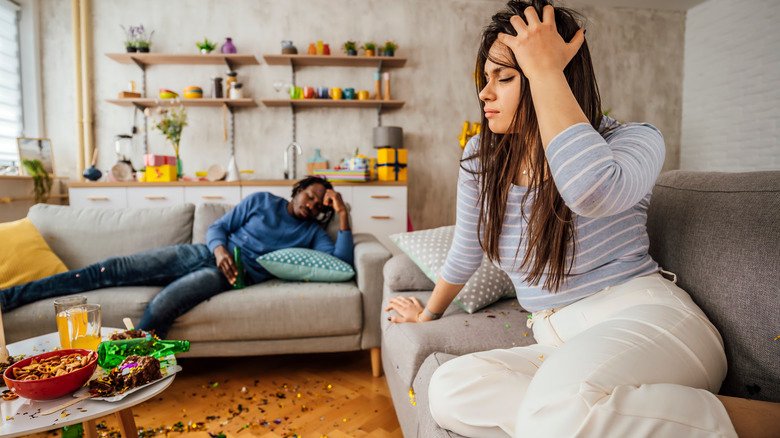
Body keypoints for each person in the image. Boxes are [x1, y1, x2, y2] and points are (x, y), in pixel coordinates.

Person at [385, 1, 737, 436]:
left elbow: (593, 191)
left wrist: (545, 71)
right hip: (557, 342)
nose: (484, 93)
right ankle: (599, 418)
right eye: (486, 78)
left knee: (555, 408)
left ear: (552, 74)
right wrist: (427, 314)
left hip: (648, 320)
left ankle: (754, 421)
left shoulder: (633, 141)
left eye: (506, 77)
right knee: (450, 388)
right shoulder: (481, 157)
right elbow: (466, 248)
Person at [0, 176, 353, 337]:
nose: (311, 204)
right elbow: (218, 228)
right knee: (110, 269)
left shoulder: (312, 234)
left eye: (319, 202)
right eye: (310, 194)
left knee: (165, 303)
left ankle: (134, 367)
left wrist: (342, 213)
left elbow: (342, 265)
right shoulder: (261, 201)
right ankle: (11, 297)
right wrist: (217, 251)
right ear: (297, 190)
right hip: (204, 254)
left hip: (227, 278)